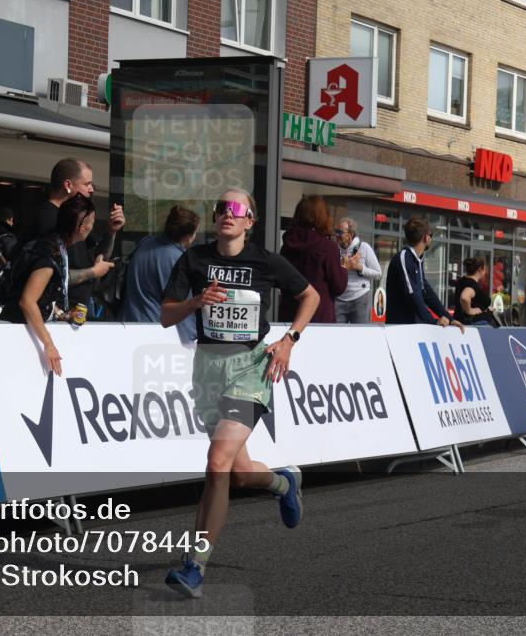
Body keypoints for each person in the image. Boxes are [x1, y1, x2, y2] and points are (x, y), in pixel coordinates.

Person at [160, 188, 320, 598]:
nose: (226, 214)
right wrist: (196, 302)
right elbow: (165, 314)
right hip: (208, 368)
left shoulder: (265, 261)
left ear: (250, 220)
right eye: (221, 208)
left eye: (235, 209)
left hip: (251, 367)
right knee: (240, 473)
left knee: (216, 463)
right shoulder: (194, 259)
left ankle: (195, 567)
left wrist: (289, 340)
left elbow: (310, 296)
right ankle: (284, 484)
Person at [0, 195, 97, 375]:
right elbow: (27, 302)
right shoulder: (49, 255)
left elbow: (43, 297)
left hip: (24, 330)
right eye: (92, 222)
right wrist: (49, 344)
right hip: (17, 333)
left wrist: (63, 315)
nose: (93, 227)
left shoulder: (56, 247)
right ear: (82, 228)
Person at [21, 158, 124, 314]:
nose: (91, 190)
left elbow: (97, 259)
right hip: (57, 312)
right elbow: (52, 276)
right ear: (68, 185)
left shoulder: (72, 218)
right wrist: (93, 272)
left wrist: (111, 231)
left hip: (76, 310)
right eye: (87, 184)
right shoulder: (48, 218)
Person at [118, 205, 199, 340]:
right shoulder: (178, 260)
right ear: (188, 236)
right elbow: (182, 310)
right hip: (156, 332)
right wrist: (193, 337)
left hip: (129, 323)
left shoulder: (145, 242)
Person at [385, 217, 464, 331]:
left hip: (414, 327)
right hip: (400, 328)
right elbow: (412, 295)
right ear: (426, 237)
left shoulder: (418, 259)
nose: (431, 238)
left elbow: (427, 292)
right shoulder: (404, 258)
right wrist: (433, 321)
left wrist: (449, 318)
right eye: (431, 235)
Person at [279, 195, 347, 323]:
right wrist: (344, 266)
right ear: (323, 216)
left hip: (289, 316)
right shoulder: (327, 247)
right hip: (319, 317)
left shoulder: (287, 244)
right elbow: (339, 287)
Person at [334, 216, 382, 324]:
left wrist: (360, 268)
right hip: (339, 298)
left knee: (360, 332)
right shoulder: (334, 249)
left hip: (360, 297)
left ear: (350, 234)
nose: (336, 235)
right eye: (336, 231)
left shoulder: (364, 247)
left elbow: (378, 273)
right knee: (337, 332)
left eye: (340, 232)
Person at [453, 256, 497, 326]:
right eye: (485, 269)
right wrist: (469, 311)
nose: (486, 272)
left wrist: (484, 309)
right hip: (474, 323)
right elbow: (464, 297)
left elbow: (473, 303)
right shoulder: (472, 284)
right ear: (480, 269)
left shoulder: (462, 281)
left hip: (461, 321)